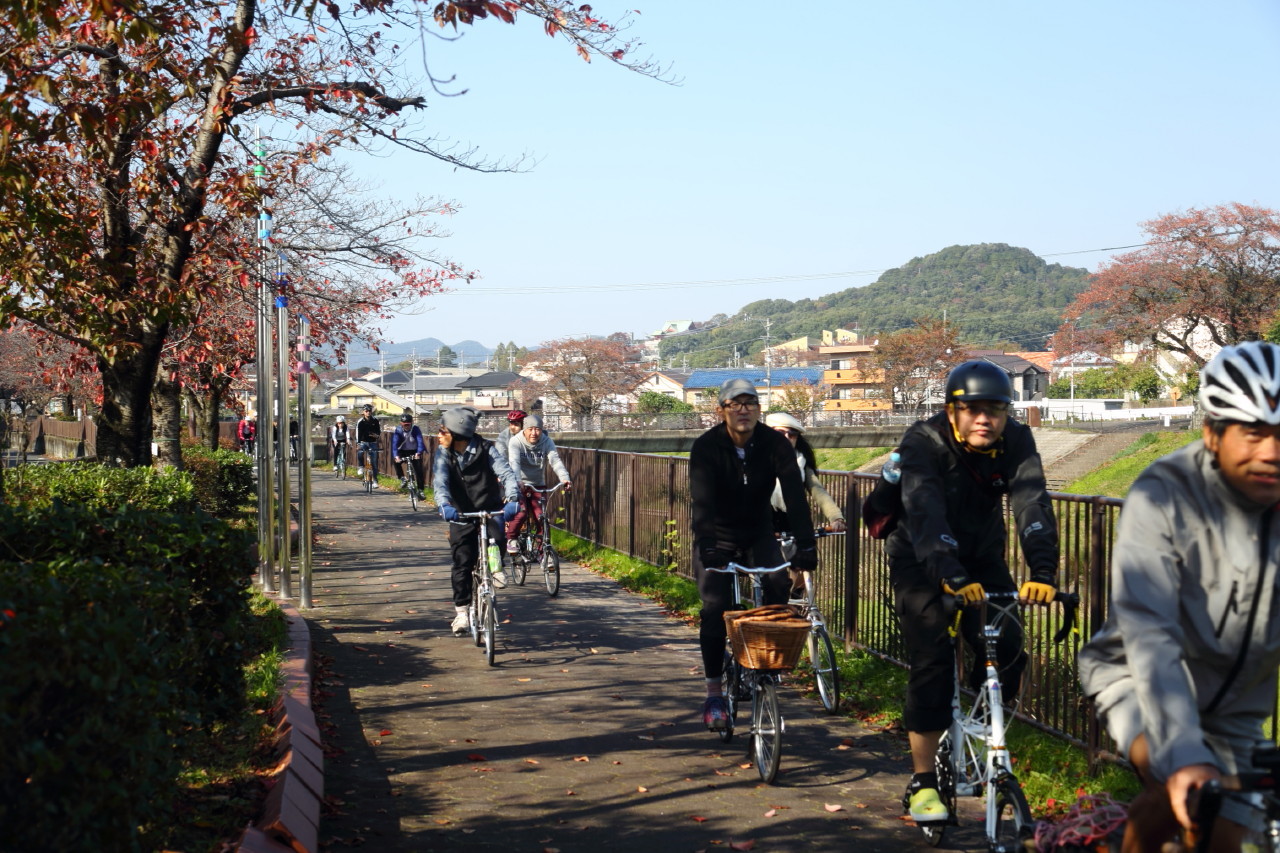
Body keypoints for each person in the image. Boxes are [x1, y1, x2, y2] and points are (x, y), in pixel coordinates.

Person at [1077, 341, 1280, 853]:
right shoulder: (1163, 494)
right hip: (1137, 679)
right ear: (1212, 434)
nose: (1272, 453)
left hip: (1237, 706)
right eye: (1254, 433)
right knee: (1189, 798)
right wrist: (1186, 753)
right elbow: (1152, 636)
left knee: (1224, 833)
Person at [888, 360, 1058, 825]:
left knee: (1008, 644)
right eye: (973, 409)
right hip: (921, 559)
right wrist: (948, 572)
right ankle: (923, 781)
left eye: (996, 410)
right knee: (931, 658)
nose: (985, 419)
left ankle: (988, 728)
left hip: (982, 557)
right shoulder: (923, 440)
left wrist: (1042, 570)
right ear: (951, 410)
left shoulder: (1017, 440)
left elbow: (1031, 501)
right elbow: (924, 508)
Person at [690, 378, 817, 730]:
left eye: (751, 403)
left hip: (759, 531)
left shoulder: (775, 443)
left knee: (778, 584)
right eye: (736, 403)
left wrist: (806, 545)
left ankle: (761, 664)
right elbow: (701, 503)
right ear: (722, 410)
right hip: (717, 533)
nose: (744, 409)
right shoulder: (706, 446)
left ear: (759, 410)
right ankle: (715, 691)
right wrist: (709, 546)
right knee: (715, 608)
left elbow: (794, 495)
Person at [432, 405, 521, 634]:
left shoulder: (486, 449)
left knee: (498, 538)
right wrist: (444, 504)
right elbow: (440, 482)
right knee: (462, 564)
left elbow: (506, 473)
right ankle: (462, 613)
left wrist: (512, 498)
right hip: (460, 514)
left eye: (443, 431)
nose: (439, 436)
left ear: (457, 434)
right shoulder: (444, 453)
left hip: (489, 509)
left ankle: (495, 567)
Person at [763, 411, 847, 534]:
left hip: (791, 521)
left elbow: (817, 490)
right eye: (780, 433)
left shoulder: (801, 461)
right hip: (760, 522)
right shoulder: (755, 458)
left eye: (792, 434)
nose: (786, 437)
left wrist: (836, 518)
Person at [505, 414, 572, 553]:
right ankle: (511, 538)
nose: (534, 433)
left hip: (538, 484)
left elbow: (555, 460)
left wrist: (564, 478)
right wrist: (518, 481)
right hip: (519, 484)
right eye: (531, 429)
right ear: (525, 429)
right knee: (521, 513)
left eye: (538, 429)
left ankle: (544, 552)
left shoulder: (546, 441)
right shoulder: (515, 441)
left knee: (542, 517)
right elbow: (514, 463)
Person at [391, 411, 426, 496]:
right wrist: (396, 456)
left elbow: (420, 441)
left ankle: (420, 490)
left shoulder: (415, 429)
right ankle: (402, 478)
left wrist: (418, 453)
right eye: (404, 425)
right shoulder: (398, 430)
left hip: (414, 451)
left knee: (419, 470)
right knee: (395, 461)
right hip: (402, 451)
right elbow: (394, 444)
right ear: (401, 424)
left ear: (411, 423)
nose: (406, 426)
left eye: (408, 424)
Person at [355, 404, 381, 482]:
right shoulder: (360, 421)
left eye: (369, 411)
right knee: (360, 452)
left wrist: (376, 435)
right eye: (366, 411)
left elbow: (378, 432)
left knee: (374, 462)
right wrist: (358, 443)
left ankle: (375, 481)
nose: (368, 413)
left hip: (373, 442)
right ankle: (361, 467)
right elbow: (358, 433)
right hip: (363, 442)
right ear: (363, 412)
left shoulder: (375, 420)